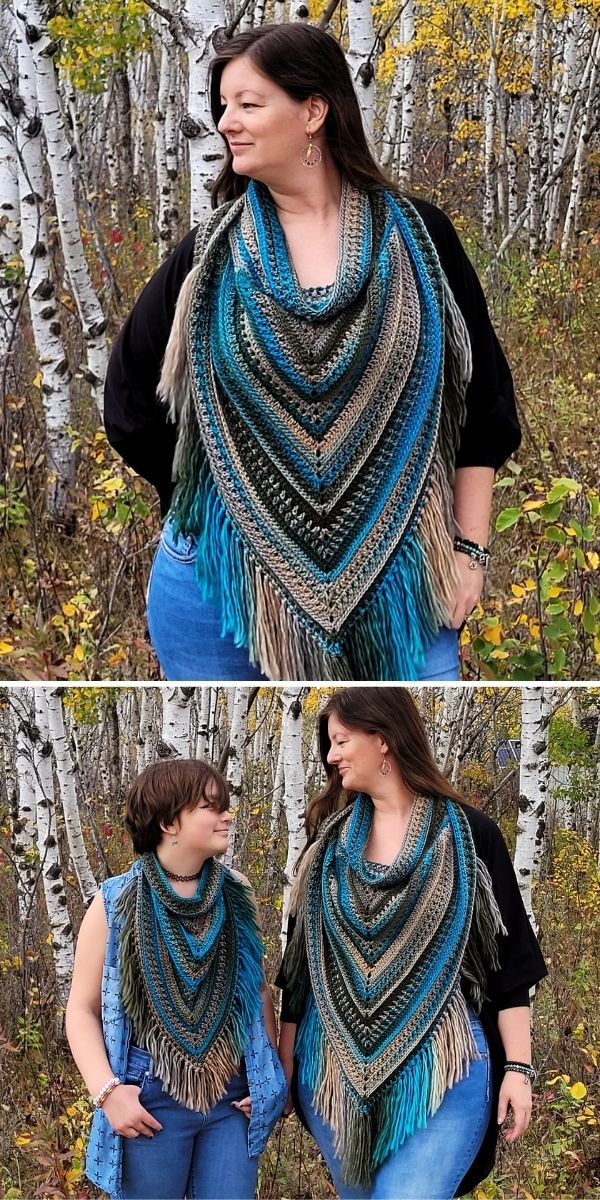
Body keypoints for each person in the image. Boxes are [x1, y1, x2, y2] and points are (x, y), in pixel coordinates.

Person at [104, 23, 520, 682]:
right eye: (222, 105)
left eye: (247, 103)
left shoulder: (419, 242)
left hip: (403, 590)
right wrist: (221, 505)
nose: (224, 122)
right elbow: (128, 404)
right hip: (222, 595)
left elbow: (484, 410)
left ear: (314, 111)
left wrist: (469, 550)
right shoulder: (209, 257)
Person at [277, 687, 547, 1200]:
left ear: (383, 740)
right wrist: (286, 1064)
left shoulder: (468, 837)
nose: (331, 757)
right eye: (328, 745)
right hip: (335, 1079)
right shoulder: (325, 846)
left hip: (444, 1070)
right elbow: (299, 971)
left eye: (340, 741)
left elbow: (511, 969)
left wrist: (518, 1068)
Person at [65, 758, 287, 1200]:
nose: (227, 815)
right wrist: (107, 1093)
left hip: (233, 1098)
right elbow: (82, 1009)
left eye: (225, 804)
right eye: (211, 806)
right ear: (169, 822)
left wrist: (270, 1079)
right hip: (151, 1097)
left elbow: (256, 989)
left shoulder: (235, 890)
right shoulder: (114, 903)